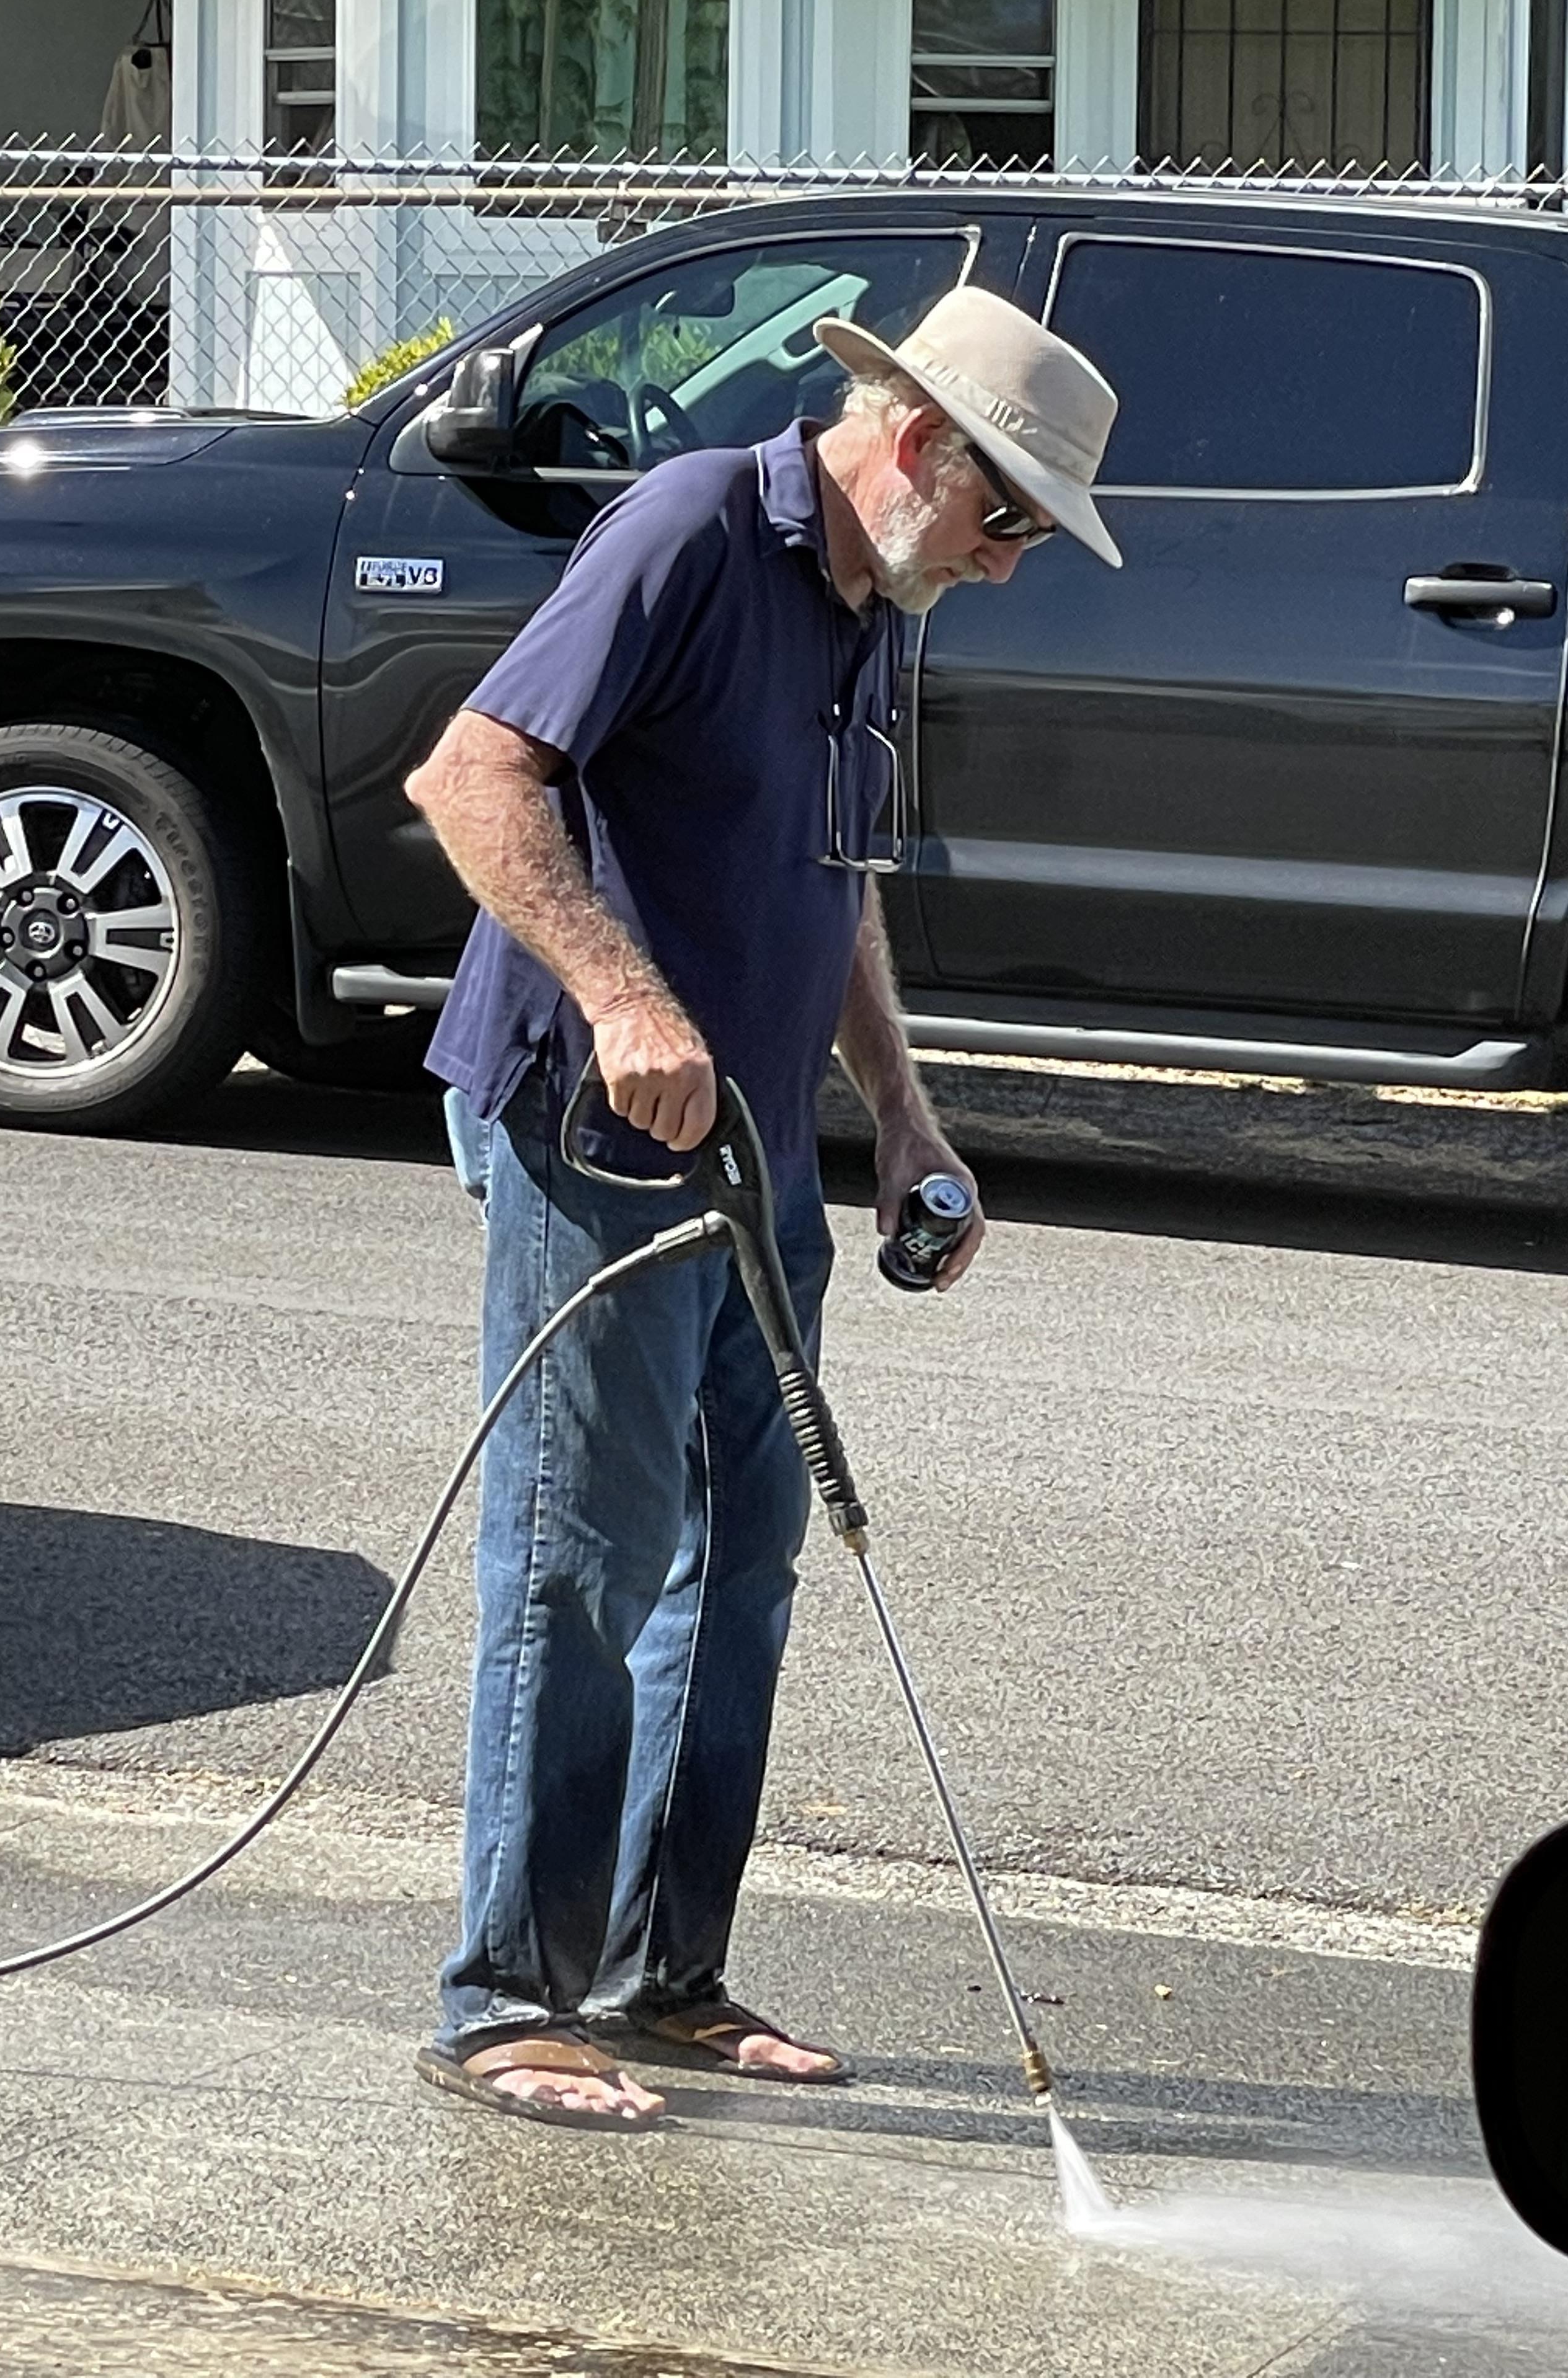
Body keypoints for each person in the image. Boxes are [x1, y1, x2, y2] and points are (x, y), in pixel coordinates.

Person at [404, 286, 1122, 2129]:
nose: (1015, 558)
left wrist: (902, 1114)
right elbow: (471, 776)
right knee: (588, 1550)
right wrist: (628, 999)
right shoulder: (693, 529)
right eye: (1011, 512)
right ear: (915, 440)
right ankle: (507, 2000)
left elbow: (840, 883)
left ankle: (662, 1973)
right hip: (595, 1121)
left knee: (745, 1561)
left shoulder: (886, 600)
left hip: (757, 1152)